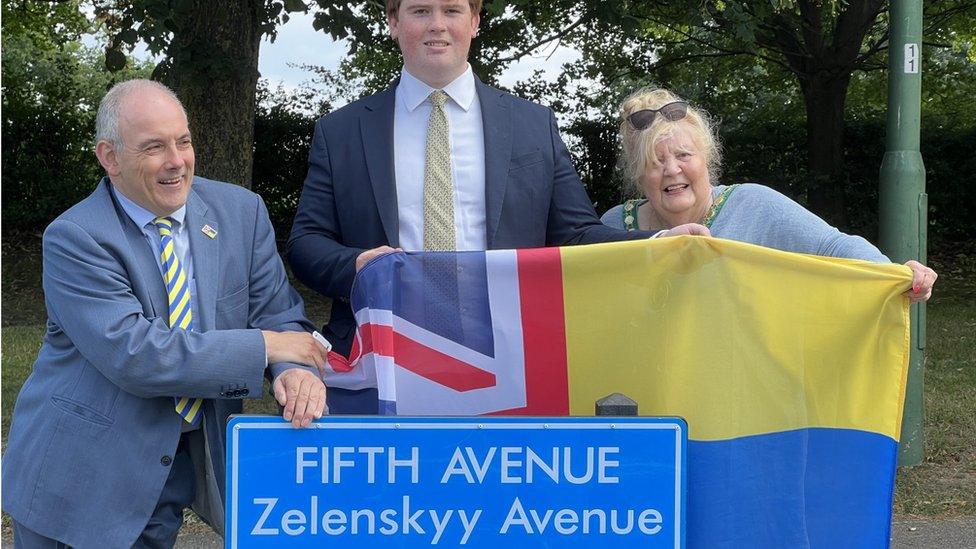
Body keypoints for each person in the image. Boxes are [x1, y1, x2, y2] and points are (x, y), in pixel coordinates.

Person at [287, 0, 708, 414]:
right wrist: (358, 265)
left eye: (452, 11)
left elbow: (578, 235)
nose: (437, 25)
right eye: (420, 11)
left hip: (510, 366)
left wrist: (655, 244)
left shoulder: (531, 125)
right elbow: (306, 243)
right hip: (382, 362)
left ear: (475, 21)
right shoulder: (342, 131)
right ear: (393, 22)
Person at [2, 79, 331, 548]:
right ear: (110, 158)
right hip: (80, 478)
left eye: (183, 141)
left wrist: (294, 370)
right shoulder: (75, 237)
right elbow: (137, 354)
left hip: (176, 464)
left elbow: (278, 314)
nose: (176, 161)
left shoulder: (242, 212)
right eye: (154, 147)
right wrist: (268, 347)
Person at [601, 87, 937, 302]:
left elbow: (832, 246)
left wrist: (894, 273)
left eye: (684, 155)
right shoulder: (613, 225)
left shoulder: (754, 204)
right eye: (656, 162)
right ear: (638, 174)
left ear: (707, 158)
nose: (672, 170)